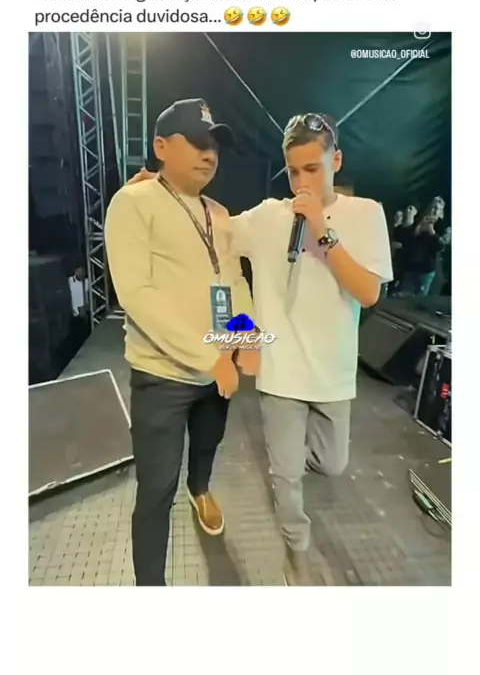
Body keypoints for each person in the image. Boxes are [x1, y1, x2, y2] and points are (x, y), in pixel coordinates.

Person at [130, 112, 393, 585]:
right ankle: (297, 558)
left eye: (312, 169)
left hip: (333, 374)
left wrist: (322, 231)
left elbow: (369, 292)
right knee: (287, 480)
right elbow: (212, 228)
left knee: (333, 464)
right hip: (281, 374)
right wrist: (166, 191)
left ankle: (288, 464)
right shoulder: (270, 216)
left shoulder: (366, 214)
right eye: (293, 171)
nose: (302, 181)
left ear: (336, 161)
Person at [105, 98, 255, 586]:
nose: (209, 154)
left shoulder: (219, 213)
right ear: (161, 146)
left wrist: (245, 337)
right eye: (196, 142)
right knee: (156, 491)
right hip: (163, 376)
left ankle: (202, 489)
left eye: (215, 145)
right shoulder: (134, 203)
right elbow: (137, 294)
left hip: (217, 368)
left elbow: (233, 282)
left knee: (208, 445)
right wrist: (212, 357)